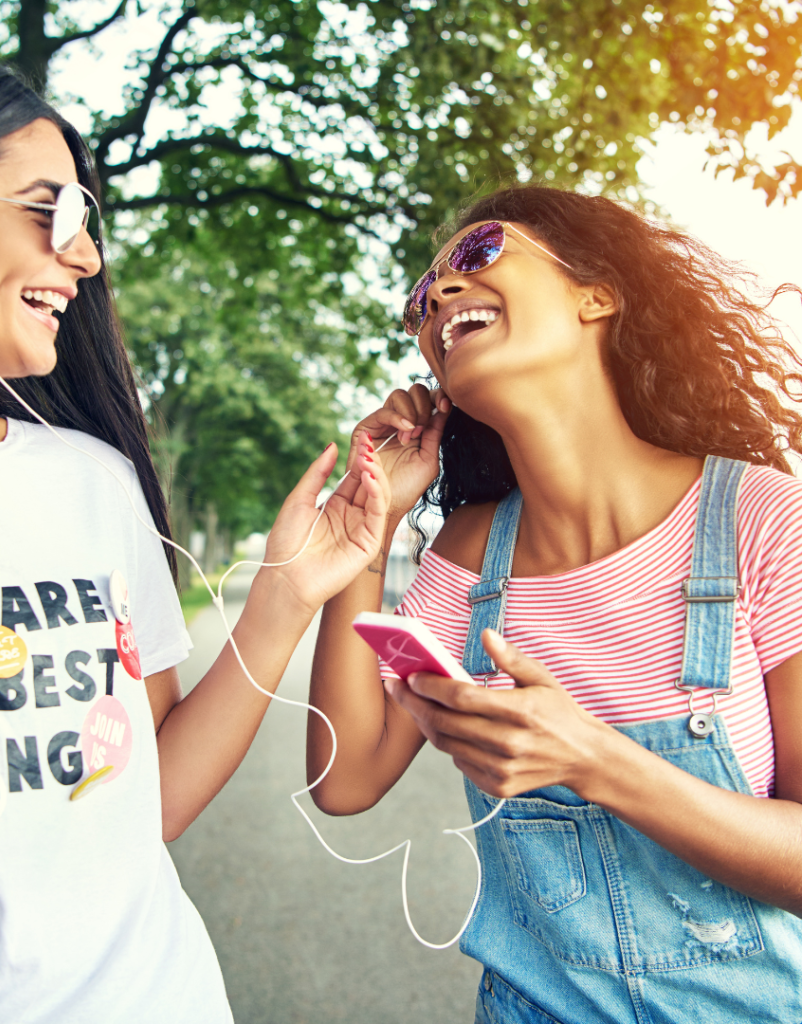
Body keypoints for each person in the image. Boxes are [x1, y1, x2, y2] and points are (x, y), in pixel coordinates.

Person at [0, 48, 388, 1023]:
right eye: (49, 211)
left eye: (88, 223)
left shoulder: (91, 480)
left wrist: (283, 594)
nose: (87, 258)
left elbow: (137, 805)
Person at [308, 185, 802, 1023]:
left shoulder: (764, 519)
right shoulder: (467, 557)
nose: (438, 299)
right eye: (419, 304)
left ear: (596, 292)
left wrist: (595, 761)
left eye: (474, 255)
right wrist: (374, 526)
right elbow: (342, 777)